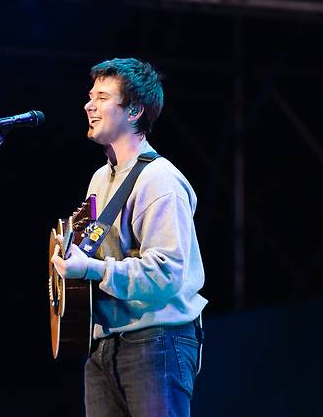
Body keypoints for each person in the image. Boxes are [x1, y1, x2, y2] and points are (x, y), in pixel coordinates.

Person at [50, 57, 208, 417]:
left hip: (157, 340)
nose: (89, 105)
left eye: (103, 97)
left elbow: (167, 274)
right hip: (105, 343)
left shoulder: (160, 181)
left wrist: (89, 268)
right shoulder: (99, 180)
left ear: (134, 110)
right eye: (91, 95)